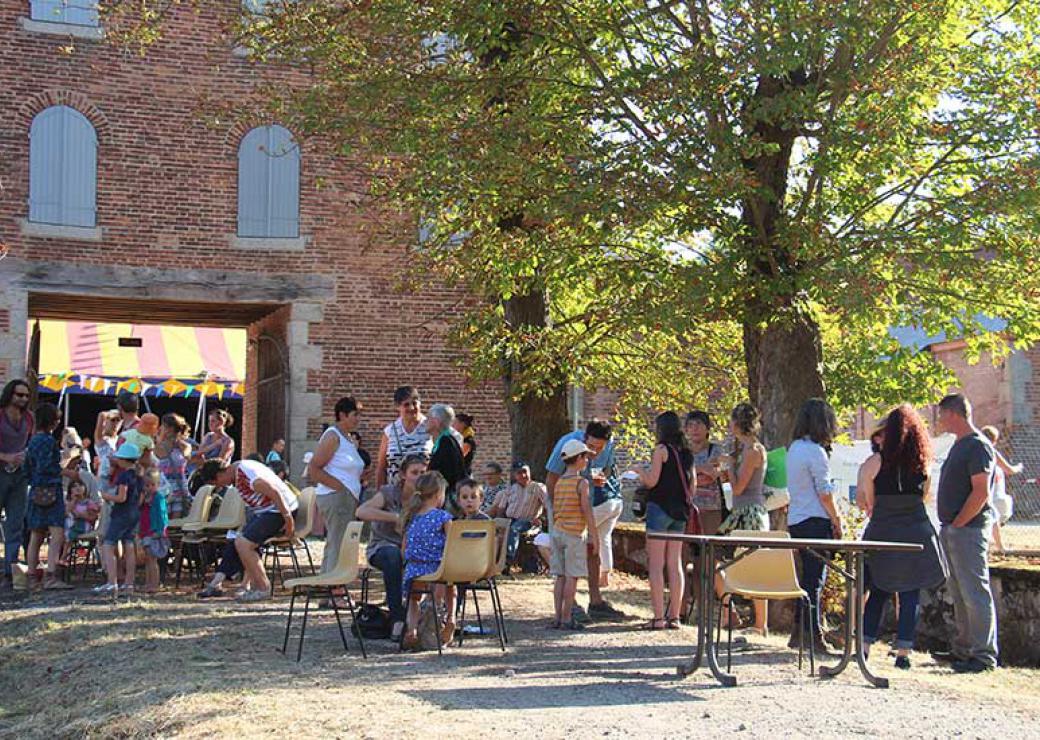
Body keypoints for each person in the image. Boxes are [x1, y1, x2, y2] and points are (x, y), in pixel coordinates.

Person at [858, 404, 948, 670]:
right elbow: (923, 497)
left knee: (879, 589)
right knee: (910, 593)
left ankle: (864, 647)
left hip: (884, 528)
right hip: (915, 530)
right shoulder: (923, 464)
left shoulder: (874, 463)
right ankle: (903, 653)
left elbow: (868, 502)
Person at [932, 394, 998, 673]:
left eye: (941, 414)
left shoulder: (977, 446)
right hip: (954, 529)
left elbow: (981, 491)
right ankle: (963, 649)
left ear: (953, 414)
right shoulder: (960, 445)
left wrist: (959, 523)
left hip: (968, 530)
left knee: (974, 592)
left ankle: (983, 656)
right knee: (959, 593)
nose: (939, 420)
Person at [545, 419, 625, 619]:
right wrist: (558, 512)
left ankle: (595, 602)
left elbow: (604, 469)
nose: (595, 452)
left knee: (592, 549)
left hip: (587, 500)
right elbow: (552, 478)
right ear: (585, 438)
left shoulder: (608, 447)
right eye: (591, 447)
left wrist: (599, 479)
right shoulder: (568, 443)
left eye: (600, 448)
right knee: (567, 561)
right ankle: (569, 606)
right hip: (563, 505)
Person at [195, 458, 298, 602]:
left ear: (219, 475)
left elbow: (274, 492)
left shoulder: (246, 474)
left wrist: (288, 519)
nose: (219, 486)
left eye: (215, 483)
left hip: (278, 511)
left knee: (244, 543)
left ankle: (263, 588)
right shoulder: (237, 474)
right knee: (237, 540)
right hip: (266, 512)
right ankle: (221, 583)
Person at [786, 398, 842, 655]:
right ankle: (813, 633)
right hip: (815, 519)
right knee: (814, 580)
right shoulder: (815, 452)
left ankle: (799, 631)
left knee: (806, 577)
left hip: (797, 518)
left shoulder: (794, 448)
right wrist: (836, 518)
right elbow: (825, 492)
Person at [630, 411, 693, 630]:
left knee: (656, 565)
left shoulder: (661, 450)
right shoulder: (686, 453)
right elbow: (692, 485)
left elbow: (652, 481)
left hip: (660, 510)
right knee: (675, 564)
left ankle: (658, 617)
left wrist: (639, 471)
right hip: (679, 512)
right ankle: (674, 616)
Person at [356, 453, 428, 639]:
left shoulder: (427, 498)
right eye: (414, 472)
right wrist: (394, 517)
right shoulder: (389, 493)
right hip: (383, 547)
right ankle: (397, 618)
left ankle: (436, 618)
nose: (419, 476)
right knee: (393, 556)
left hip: (413, 550)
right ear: (403, 474)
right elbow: (362, 511)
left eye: (423, 472)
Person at [715, 403, 769, 635]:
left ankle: (760, 624)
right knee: (715, 561)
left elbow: (738, 488)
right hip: (740, 512)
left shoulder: (753, 451)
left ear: (737, 424)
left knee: (755, 568)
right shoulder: (745, 450)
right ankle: (729, 613)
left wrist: (728, 469)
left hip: (749, 514)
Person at [309, 397, 366, 575]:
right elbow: (314, 467)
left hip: (346, 496)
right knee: (339, 543)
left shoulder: (347, 438)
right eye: (355, 414)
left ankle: (327, 587)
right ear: (342, 415)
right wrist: (340, 487)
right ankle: (335, 589)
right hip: (337, 497)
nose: (358, 419)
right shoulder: (333, 436)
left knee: (336, 542)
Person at [549, 439, 599, 630]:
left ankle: (557, 616)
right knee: (572, 576)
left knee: (559, 576)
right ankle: (567, 616)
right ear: (578, 458)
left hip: (558, 532)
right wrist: (594, 536)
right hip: (574, 534)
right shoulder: (581, 483)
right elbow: (587, 510)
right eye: (585, 457)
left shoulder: (560, 481)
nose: (587, 461)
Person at [401, 471, 455, 649]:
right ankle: (447, 619)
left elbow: (404, 548)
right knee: (449, 584)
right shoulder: (443, 517)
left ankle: (412, 628)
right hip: (436, 568)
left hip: (413, 570)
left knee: (413, 599)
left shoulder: (412, 516)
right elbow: (452, 545)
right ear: (439, 494)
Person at [25, 403, 74, 591]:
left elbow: (26, 468)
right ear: (53, 421)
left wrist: (33, 480)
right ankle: (51, 575)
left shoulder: (32, 441)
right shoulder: (48, 441)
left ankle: (31, 576)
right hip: (52, 489)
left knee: (36, 534)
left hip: (35, 490)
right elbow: (49, 466)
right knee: (57, 533)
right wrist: (65, 467)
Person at [96, 442, 144, 595]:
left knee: (108, 545)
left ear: (124, 459)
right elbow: (141, 498)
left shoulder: (123, 475)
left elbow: (121, 497)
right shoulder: (139, 475)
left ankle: (112, 582)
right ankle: (129, 583)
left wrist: (104, 496)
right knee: (129, 545)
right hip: (134, 513)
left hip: (121, 513)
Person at [0, 379, 33, 589]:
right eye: (19, 395)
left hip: (19, 475)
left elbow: (29, 442)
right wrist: (6, 456)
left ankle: (10, 570)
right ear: (10, 394)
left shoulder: (29, 418)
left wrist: (24, 456)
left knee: (15, 523)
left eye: (25, 396)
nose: (22, 399)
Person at [489, 461, 547, 568]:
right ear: (514, 475)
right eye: (519, 473)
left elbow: (549, 506)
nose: (523, 475)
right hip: (510, 519)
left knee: (514, 528)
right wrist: (499, 522)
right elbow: (501, 508)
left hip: (528, 521)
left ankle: (508, 559)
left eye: (525, 472)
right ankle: (493, 562)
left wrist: (541, 519)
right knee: (495, 530)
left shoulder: (538, 487)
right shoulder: (511, 488)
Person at [376, 386, 432, 489]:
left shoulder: (430, 428)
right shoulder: (390, 431)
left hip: (423, 492)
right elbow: (381, 467)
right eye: (406, 404)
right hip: (395, 493)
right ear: (398, 407)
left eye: (414, 403)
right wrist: (380, 492)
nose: (411, 408)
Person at [979, 426, 1024, 554]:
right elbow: (1009, 469)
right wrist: (1018, 467)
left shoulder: (975, 450)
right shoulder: (990, 451)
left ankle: (996, 547)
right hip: (989, 496)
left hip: (987, 495)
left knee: (993, 520)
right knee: (993, 520)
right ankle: (999, 548)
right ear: (994, 440)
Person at [155, 413, 193, 519]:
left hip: (164, 488)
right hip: (181, 487)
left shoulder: (159, 447)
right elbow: (187, 458)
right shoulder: (185, 446)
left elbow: (160, 456)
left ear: (169, 428)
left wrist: (159, 438)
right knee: (177, 523)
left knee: (163, 521)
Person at [426, 404, 466, 501]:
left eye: (428, 418)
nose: (425, 422)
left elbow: (447, 476)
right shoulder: (445, 441)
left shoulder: (447, 444)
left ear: (436, 422)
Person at [139, 468, 169, 594]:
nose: (150, 487)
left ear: (157, 485)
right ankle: (148, 582)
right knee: (147, 558)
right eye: (147, 485)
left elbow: (162, 514)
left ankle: (155, 584)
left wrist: (161, 530)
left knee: (152, 559)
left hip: (154, 531)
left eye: (153, 485)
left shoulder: (158, 498)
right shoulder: (144, 499)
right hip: (145, 530)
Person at [60, 477, 99, 566]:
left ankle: (64, 557)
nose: (78, 488)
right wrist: (73, 501)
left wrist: (80, 515)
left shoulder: (89, 503)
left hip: (82, 526)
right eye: (74, 486)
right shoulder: (69, 502)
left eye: (80, 485)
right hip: (68, 526)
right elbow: (66, 512)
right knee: (60, 533)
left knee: (69, 534)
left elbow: (93, 517)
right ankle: (59, 559)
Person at [92, 409, 120, 476]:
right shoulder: (102, 439)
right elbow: (101, 415)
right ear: (106, 422)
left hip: (117, 476)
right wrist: (111, 414)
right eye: (113, 420)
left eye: (118, 420)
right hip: (104, 477)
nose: (116, 423)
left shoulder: (120, 438)